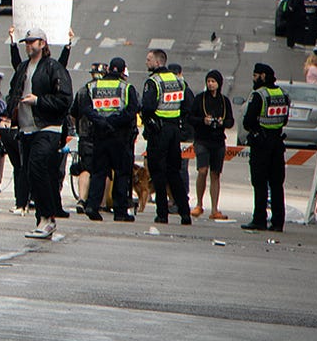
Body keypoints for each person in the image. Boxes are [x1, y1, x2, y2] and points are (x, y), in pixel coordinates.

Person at [6, 29, 73, 239]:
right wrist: (12, 109)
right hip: (26, 129)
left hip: (48, 127)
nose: (28, 45)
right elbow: (13, 90)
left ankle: (48, 217)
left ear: (42, 43)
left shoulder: (53, 67)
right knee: (30, 174)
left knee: (38, 167)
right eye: (26, 42)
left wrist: (38, 101)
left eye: (32, 42)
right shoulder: (24, 68)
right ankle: (41, 220)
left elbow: (64, 99)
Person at [78, 58, 139, 222]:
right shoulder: (126, 88)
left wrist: (101, 121)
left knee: (98, 172)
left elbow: (85, 108)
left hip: (99, 135)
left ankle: (92, 205)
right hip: (119, 136)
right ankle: (120, 211)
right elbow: (132, 110)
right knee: (121, 173)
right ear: (121, 71)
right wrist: (114, 122)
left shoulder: (93, 86)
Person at [140, 48, 192, 225]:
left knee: (158, 173)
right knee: (174, 173)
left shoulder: (153, 81)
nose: (146, 62)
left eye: (148, 60)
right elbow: (188, 105)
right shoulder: (178, 81)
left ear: (157, 62)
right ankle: (185, 212)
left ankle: (162, 213)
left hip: (159, 131)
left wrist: (150, 121)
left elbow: (147, 107)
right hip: (174, 131)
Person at [241, 63, 289, 232]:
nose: (253, 79)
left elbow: (247, 122)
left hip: (261, 144)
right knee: (276, 184)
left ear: (262, 76)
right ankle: (278, 221)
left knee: (260, 183)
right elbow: (284, 120)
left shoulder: (259, 95)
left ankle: (259, 219)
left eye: (255, 76)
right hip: (277, 143)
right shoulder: (282, 94)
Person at [191, 69, 234, 219]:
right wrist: (203, 121)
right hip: (202, 140)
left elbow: (231, 121)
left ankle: (215, 209)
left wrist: (222, 122)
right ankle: (199, 204)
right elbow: (190, 117)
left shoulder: (224, 101)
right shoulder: (199, 99)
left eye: (213, 81)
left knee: (215, 174)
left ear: (219, 83)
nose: (210, 84)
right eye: (208, 81)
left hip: (218, 141)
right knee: (202, 170)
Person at [69, 61, 108, 216]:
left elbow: (73, 115)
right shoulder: (109, 90)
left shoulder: (83, 91)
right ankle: (102, 203)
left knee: (85, 168)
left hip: (85, 136)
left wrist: (79, 128)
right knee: (104, 170)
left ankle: (81, 199)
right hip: (105, 134)